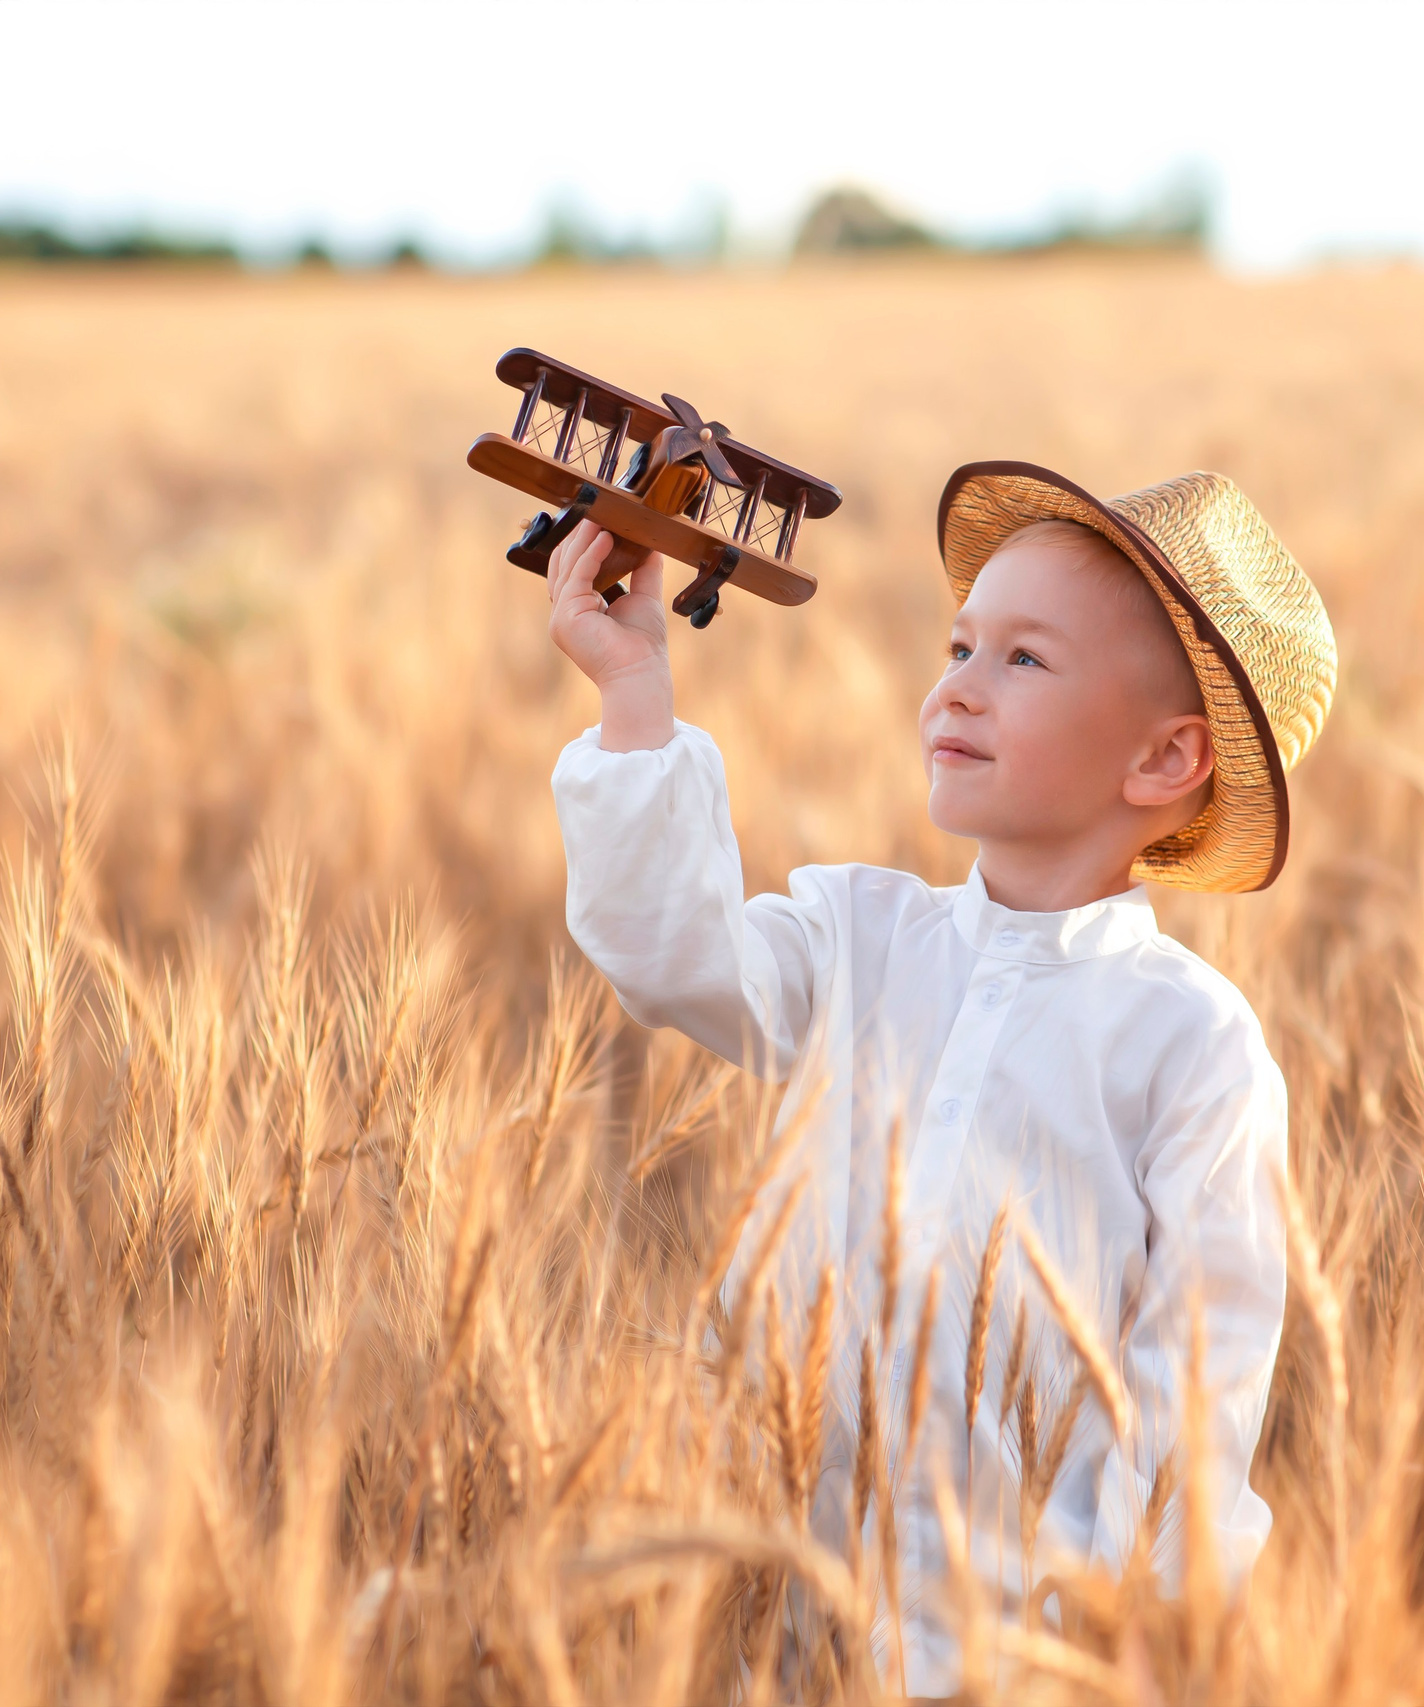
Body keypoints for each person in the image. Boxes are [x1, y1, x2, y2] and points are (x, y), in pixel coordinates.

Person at [545, 460, 1339, 1696]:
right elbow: (671, 956)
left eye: (1021, 661)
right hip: (780, 1611)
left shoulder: (1191, 1045)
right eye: (959, 644)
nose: (954, 688)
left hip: (1015, 1654)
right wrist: (635, 686)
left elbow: (1195, 1399)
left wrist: (1096, 1651)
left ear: (1165, 758)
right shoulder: (858, 936)